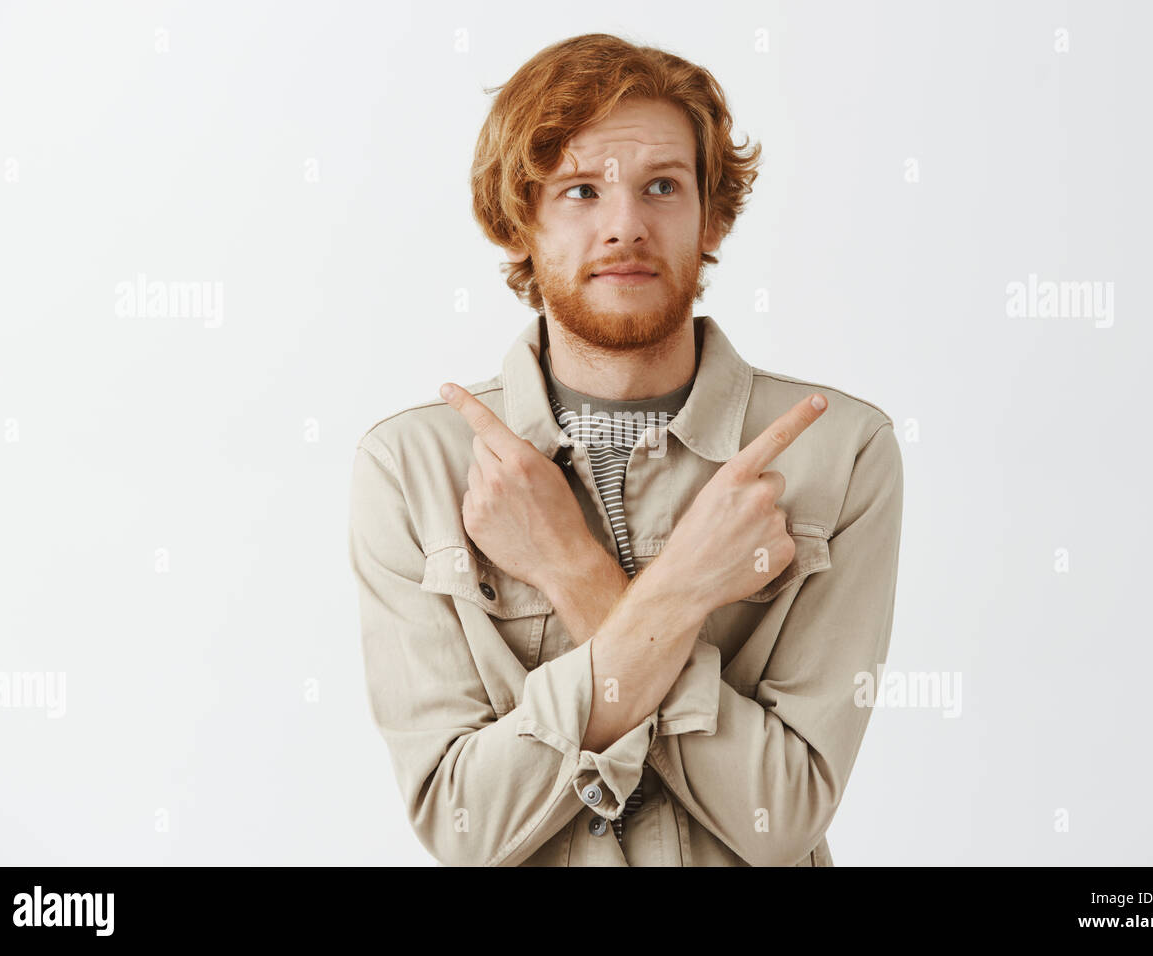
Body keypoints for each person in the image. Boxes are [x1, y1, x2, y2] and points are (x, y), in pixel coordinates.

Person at [348, 33, 904, 866]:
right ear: (518, 220)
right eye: (579, 190)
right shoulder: (412, 467)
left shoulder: (843, 452)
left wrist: (578, 574)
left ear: (711, 214)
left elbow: (783, 815)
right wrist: (672, 598)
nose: (625, 226)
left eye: (662, 187)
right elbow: (464, 822)